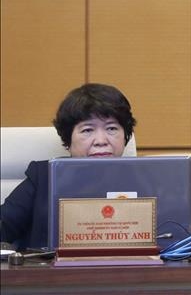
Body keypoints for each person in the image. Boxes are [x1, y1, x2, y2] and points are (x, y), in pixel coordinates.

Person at [0, 83, 137, 250]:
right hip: (48, 274)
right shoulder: (43, 177)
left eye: (111, 128)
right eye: (87, 130)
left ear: (125, 136)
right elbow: (4, 226)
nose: (101, 141)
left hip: (126, 274)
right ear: (68, 140)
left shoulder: (145, 179)